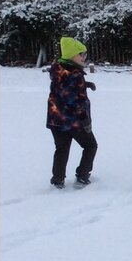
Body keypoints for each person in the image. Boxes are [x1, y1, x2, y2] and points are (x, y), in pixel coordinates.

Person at [47, 36, 97, 189]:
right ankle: (82, 175)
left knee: (61, 149)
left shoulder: (58, 70)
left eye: (85, 54)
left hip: (56, 120)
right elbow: (72, 100)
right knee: (90, 146)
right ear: (71, 55)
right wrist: (84, 119)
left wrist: (84, 84)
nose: (84, 57)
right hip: (74, 121)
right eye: (81, 54)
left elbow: (63, 88)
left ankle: (57, 180)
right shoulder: (75, 74)